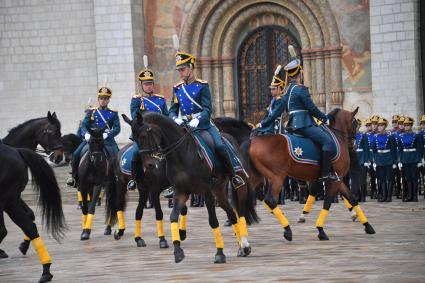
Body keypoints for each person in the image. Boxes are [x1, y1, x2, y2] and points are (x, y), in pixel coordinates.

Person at [169, 46, 245, 189]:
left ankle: (233, 175)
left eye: (182, 69)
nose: (180, 72)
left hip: (203, 125)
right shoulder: (177, 89)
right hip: (184, 126)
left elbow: (207, 109)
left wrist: (197, 119)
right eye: (179, 70)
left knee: (220, 146)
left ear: (191, 68)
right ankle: (173, 182)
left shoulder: (202, 86)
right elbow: (172, 110)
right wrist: (175, 118)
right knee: (173, 148)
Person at [282, 45, 336, 181]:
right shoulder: (301, 89)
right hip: (304, 124)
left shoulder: (287, 91)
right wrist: (325, 119)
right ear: (300, 73)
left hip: (292, 124)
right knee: (328, 142)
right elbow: (311, 108)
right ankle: (325, 174)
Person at [127, 55, 168, 191]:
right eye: (146, 84)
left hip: (159, 134)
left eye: (150, 83)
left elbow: (166, 116)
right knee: (135, 153)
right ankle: (133, 179)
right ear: (141, 85)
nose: (149, 86)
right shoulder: (137, 100)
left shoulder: (160, 100)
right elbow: (135, 118)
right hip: (144, 134)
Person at [66, 87, 121, 187]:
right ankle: (74, 177)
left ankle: (117, 177)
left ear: (108, 100)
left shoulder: (113, 113)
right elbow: (83, 125)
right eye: (101, 98)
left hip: (107, 140)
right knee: (76, 154)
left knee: (117, 156)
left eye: (105, 98)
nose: (103, 101)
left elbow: (117, 128)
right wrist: (86, 134)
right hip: (91, 139)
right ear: (98, 99)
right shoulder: (92, 112)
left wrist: (107, 134)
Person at [255, 65, 286, 134]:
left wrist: (262, 124)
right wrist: (261, 123)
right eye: (271, 89)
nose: (271, 91)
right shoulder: (273, 101)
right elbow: (267, 115)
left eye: (273, 89)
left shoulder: (280, 101)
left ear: (279, 89)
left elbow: (273, 116)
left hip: (275, 127)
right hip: (269, 125)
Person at [372, 117, 397, 202]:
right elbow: (374, 150)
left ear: (385, 126)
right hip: (379, 159)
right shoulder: (375, 137)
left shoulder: (390, 137)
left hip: (388, 159)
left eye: (381, 125)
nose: (379, 127)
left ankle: (389, 196)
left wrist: (394, 162)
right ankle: (384, 195)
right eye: (378, 125)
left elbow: (394, 150)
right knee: (382, 178)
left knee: (389, 178)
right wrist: (375, 160)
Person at [398, 117, 423, 202]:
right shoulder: (401, 136)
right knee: (407, 178)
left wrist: (420, 160)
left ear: (411, 125)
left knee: (414, 177)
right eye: (405, 125)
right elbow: (400, 150)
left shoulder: (417, 135)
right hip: (405, 158)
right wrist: (400, 160)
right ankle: (409, 196)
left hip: (414, 158)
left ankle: (415, 196)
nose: (406, 127)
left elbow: (420, 149)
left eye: (408, 125)